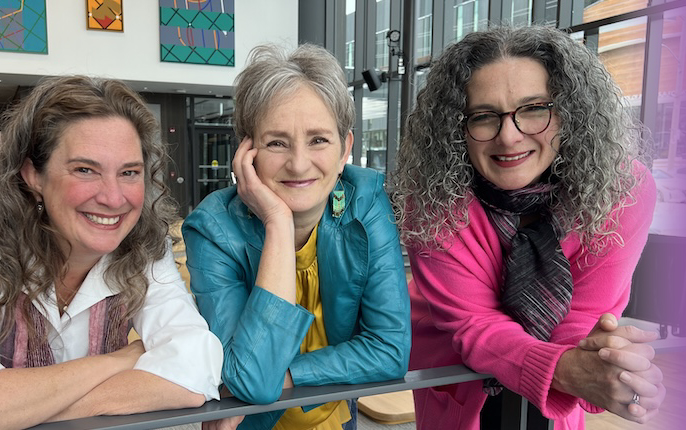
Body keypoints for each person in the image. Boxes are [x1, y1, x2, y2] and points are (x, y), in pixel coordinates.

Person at [389, 25, 666, 429]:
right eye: (483, 117)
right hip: (457, 372)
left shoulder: (624, 190)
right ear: (456, 128)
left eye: (534, 109)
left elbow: (585, 318)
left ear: (570, 111)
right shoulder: (432, 196)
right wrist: (569, 369)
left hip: (558, 379)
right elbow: (474, 324)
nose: (509, 137)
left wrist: (614, 369)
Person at [182, 43, 410, 430]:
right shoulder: (213, 227)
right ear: (247, 153)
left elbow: (389, 350)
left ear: (345, 150)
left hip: (337, 420)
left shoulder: (367, 200)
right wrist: (277, 221)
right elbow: (250, 378)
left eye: (319, 139)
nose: (299, 163)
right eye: (276, 142)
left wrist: (288, 377)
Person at [0, 75, 223, 429]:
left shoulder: (146, 248)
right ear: (33, 175)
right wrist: (121, 360)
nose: (113, 198)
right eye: (85, 169)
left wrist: (30, 408)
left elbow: (196, 368)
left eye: (129, 172)